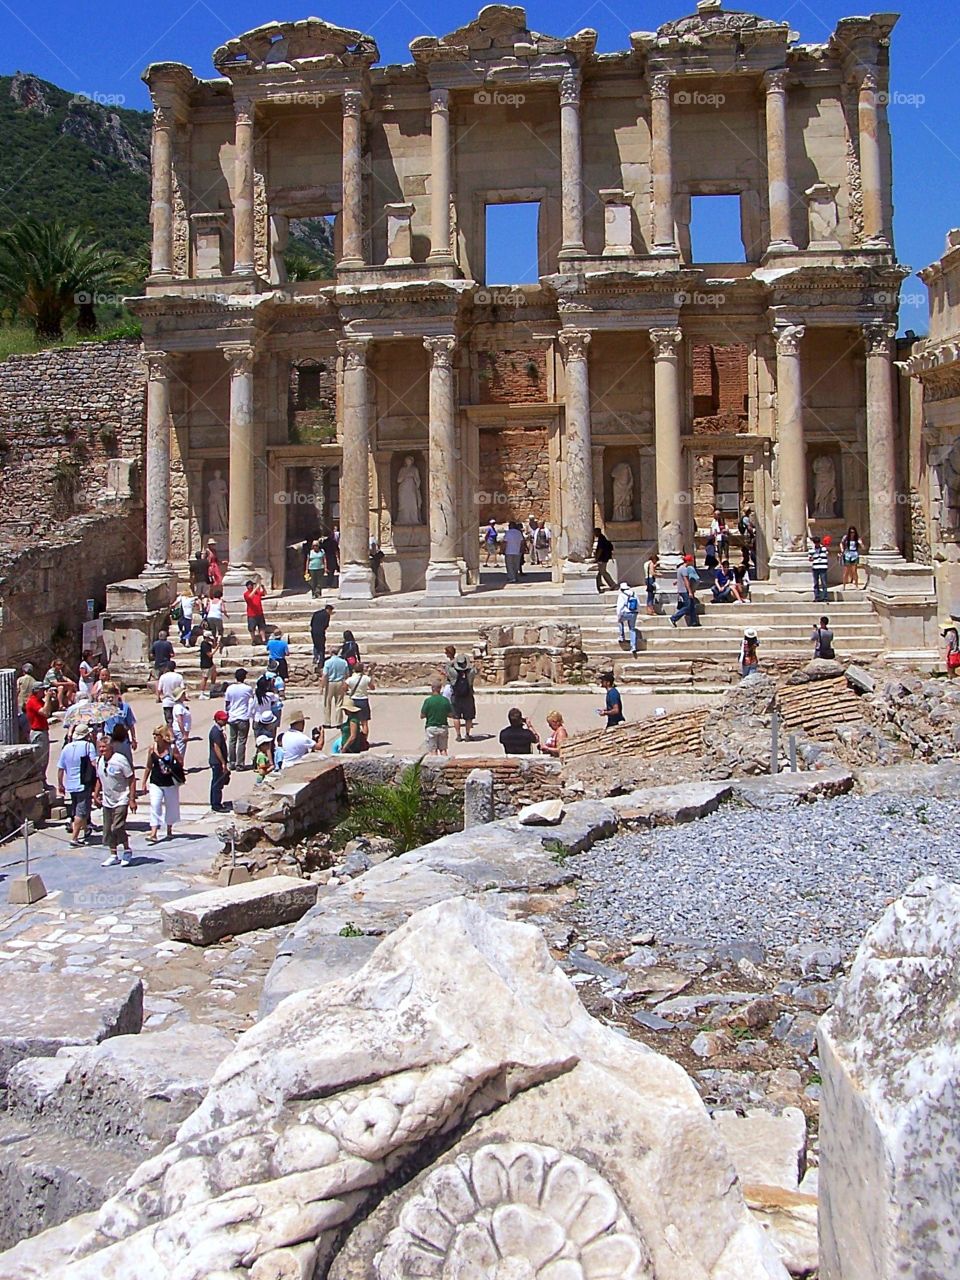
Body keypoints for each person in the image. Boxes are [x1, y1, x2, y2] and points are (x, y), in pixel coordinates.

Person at [94, 736, 136, 867]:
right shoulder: (100, 760)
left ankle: (127, 849)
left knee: (117, 827)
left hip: (121, 798)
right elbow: (99, 779)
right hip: (107, 799)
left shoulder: (120, 760)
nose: (101, 750)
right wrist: (96, 794)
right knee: (108, 829)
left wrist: (132, 799)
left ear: (110, 747)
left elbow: (131, 778)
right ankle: (113, 854)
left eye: (104, 747)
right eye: (100, 747)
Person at [141, 725, 184, 843]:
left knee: (171, 805)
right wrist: (144, 782)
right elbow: (149, 766)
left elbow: (180, 762)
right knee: (155, 804)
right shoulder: (152, 748)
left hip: (170, 782)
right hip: (156, 781)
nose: (154, 737)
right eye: (153, 735)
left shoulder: (171, 748)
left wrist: (173, 765)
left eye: (157, 735)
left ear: (163, 736)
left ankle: (169, 829)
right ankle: (154, 832)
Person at [57, 724, 98, 847]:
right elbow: (94, 763)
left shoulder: (66, 748)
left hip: (70, 784)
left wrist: (60, 784)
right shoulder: (88, 746)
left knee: (79, 808)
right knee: (81, 811)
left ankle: (86, 829)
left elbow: (60, 768)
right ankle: (74, 838)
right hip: (83, 783)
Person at [224, 668, 255, 769]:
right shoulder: (247, 689)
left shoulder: (230, 688)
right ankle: (240, 763)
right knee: (242, 741)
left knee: (232, 740)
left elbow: (227, 703)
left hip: (232, 716)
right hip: (243, 716)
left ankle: (232, 762)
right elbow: (251, 701)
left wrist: (228, 713)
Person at [24, 682, 56, 776]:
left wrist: (48, 699)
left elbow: (48, 712)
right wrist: (48, 698)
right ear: (37, 691)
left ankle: (43, 779)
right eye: (42, 690)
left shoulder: (39, 701)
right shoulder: (32, 701)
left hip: (43, 731)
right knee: (40, 759)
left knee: (45, 758)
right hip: (38, 732)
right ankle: (41, 779)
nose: (44, 692)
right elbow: (45, 712)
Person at [102, 683, 138, 753]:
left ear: (117, 696)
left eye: (112, 697)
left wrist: (134, 739)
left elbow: (131, 724)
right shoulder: (104, 708)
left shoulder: (125, 707)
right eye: (108, 697)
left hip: (122, 736)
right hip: (110, 737)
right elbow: (103, 724)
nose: (110, 699)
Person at [448, 654, 476, 741]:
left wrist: (453, 661)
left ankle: (458, 735)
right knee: (469, 717)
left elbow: (447, 667)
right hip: (468, 696)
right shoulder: (470, 672)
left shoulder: (452, 672)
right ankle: (467, 734)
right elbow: (475, 670)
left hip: (456, 696)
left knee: (456, 717)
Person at [420, 680, 451, 755]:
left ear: (432, 689)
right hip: (443, 727)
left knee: (433, 750)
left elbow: (422, 715)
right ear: (440, 688)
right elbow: (451, 714)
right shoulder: (445, 700)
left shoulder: (428, 701)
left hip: (431, 727)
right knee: (443, 750)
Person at [670, 555, 701, 628]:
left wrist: (677, 582)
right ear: (688, 561)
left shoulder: (680, 568)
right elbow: (686, 581)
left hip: (681, 590)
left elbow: (681, 579)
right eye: (691, 560)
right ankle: (674, 618)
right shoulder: (684, 569)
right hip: (684, 591)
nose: (692, 562)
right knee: (688, 606)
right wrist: (690, 591)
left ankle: (693, 621)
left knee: (692, 605)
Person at [209, 710, 231, 811]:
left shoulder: (219, 731)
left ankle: (217, 802)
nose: (226, 721)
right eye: (223, 720)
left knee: (219, 782)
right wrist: (223, 762)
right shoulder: (215, 732)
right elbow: (216, 748)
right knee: (217, 783)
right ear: (218, 720)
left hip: (218, 761)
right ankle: (216, 804)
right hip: (217, 762)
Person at [344, 662, 375, 732]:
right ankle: (364, 740)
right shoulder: (366, 678)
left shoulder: (350, 679)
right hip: (363, 700)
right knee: (364, 723)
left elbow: (344, 688)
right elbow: (372, 687)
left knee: (353, 721)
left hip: (354, 700)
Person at [322, 651, 349, 727]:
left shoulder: (328, 662)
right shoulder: (344, 662)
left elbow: (325, 675)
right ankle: (339, 722)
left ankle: (327, 722)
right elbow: (347, 674)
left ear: (331, 653)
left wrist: (322, 686)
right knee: (339, 703)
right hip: (340, 682)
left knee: (327, 703)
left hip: (330, 683)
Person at [156, 661, 184, 727]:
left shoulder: (163, 677)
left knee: (169, 721)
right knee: (178, 720)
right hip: (177, 701)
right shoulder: (179, 676)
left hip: (167, 701)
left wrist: (158, 698)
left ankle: (171, 735)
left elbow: (159, 689)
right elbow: (182, 688)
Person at [615, 581, 640, 655]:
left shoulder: (621, 595)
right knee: (632, 629)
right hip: (634, 613)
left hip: (625, 613)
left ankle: (621, 636)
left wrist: (618, 615)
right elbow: (638, 604)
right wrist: (637, 611)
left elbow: (619, 607)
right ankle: (633, 646)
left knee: (620, 621)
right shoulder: (634, 594)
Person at [171, 686, 192, 765]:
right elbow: (180, 721)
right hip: (180, 731)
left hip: (180, 730)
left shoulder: (180, 705)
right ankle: (179, 766)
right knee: (180, 750)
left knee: (180, 748)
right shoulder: (178, 707)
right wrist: (184, 734)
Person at [243, 579, 268, 644]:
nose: (250, 586)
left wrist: (263, 587)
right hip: (251, 614)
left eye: (251, 585)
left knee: (262, 627)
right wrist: (256, 588)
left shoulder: (257, 593)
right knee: (252, 629)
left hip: (259, 613)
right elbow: (250, 597)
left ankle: (264, 640)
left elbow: (265, 593)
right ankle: (253, 640)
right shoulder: (246, 594)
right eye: (249, 585)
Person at [311, 603, 334, 667]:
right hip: (320, 632)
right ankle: (321, 661)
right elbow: (326, 625)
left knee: (315, 645)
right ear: (328, 610)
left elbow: (311, 623)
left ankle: (315, 658)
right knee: (321, 646)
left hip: (313, 631)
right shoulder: (326, 615)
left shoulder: (316, 613)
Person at [198, 630, 219, 698]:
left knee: (214, 673)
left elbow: (213, 645)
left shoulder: (208, 644)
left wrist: (215, 641)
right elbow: (210, 654)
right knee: (205, 678)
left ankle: (212, 688)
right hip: (205, 664)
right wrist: (216, 648)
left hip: (210, 663)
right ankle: (202, 693)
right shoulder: (204, 645)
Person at [594, 527, 616, 593]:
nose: (594, 534)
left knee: (603, 572)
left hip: (602, 559)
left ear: (598, 532)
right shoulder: (602, 538)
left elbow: (600, 549)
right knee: (600, 572)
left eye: (595, 532)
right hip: (604, 558)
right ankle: (598, 585)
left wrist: (597, 558)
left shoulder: (601, 539)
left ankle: (612, 584)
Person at [809, 535, 830, 603]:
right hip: (815, 568)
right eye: (815, 542)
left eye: (817, 542)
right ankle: (817, 597)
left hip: (823, 567)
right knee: (816, 583)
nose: (817, 544)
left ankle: (825, 597)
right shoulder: (811, 550)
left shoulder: (824, 549)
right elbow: (810, 558)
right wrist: (812, 558)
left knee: (824, 583)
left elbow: (827, 554)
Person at [643, 551, 659, 616]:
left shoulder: (646, 563)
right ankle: (651, 610)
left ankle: (648, 609)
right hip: (651, 579)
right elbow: (652, 573)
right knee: (651, 595)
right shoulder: (651, 564)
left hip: (647, 579)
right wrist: (658, 574)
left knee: (649, 595)